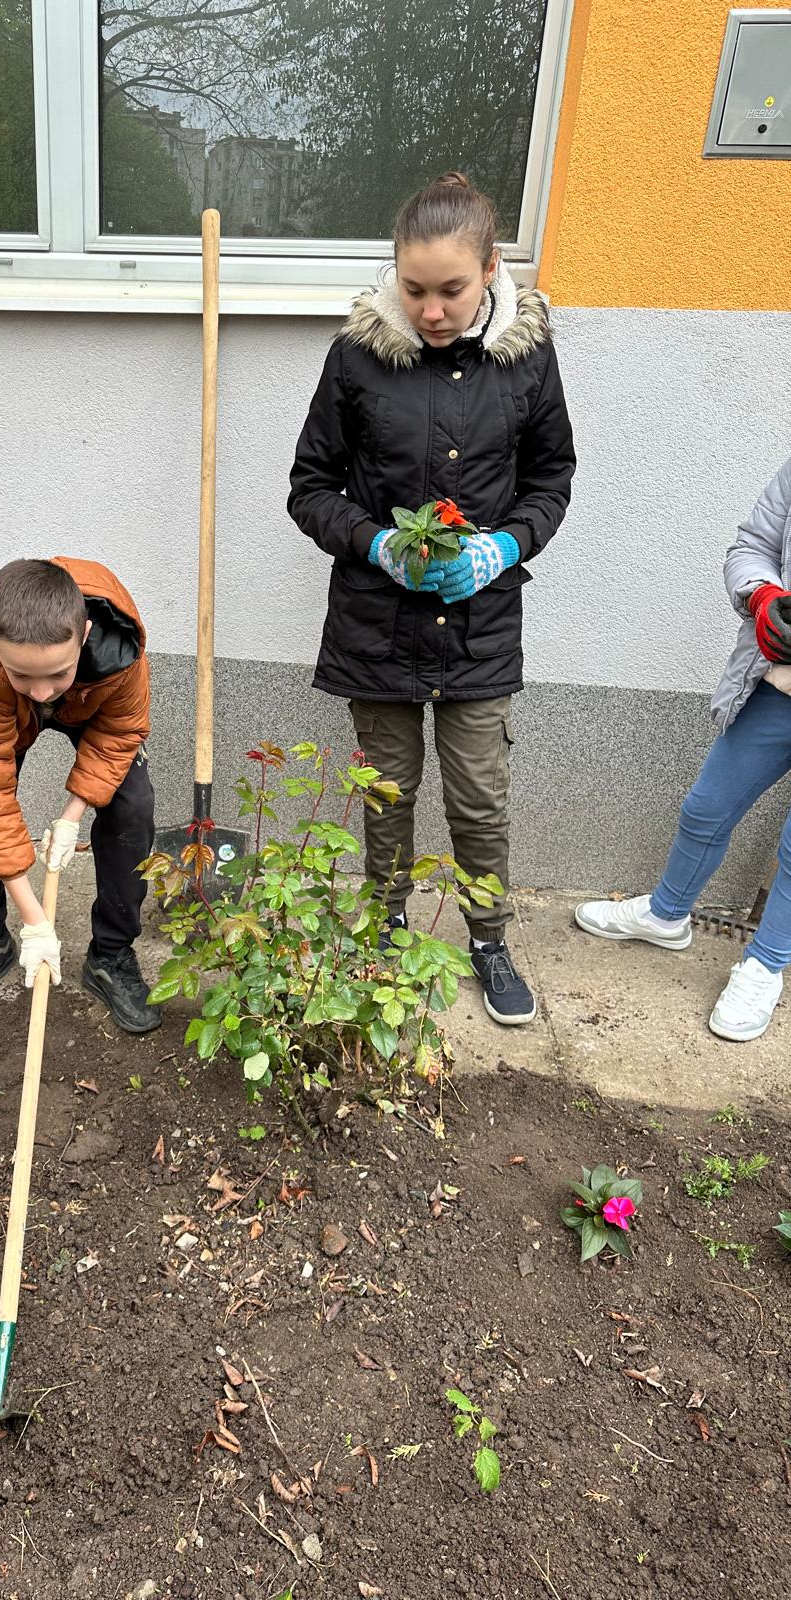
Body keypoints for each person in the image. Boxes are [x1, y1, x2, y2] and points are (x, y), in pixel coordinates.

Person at [288, 172, 575, 1025]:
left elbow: (551, 481)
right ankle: (385, 923)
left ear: (489, 270)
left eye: (451, 289)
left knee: (479, 797)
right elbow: (310, 487)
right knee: (387, 791)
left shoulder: (526, 357)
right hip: (376, 623)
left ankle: (488, 936)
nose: (432, 310)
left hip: (479, 626)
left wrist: (503, 548)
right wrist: (375, 542)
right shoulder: (357, 356)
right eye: (414, 289)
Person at [576, 455, 791, 1042]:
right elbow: (753, 546)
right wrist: (763, 597)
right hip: (779, 686)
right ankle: (666, 915)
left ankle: (765, 965)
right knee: (706, 808)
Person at [0, 556, 161, 1034]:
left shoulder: (121, 648)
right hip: (2, 707)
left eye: (56, 674)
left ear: (85, 635)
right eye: (24, 676)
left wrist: (72, 814)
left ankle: (111, 954)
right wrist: (35, 920)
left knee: (132, 805)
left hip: (91, 703)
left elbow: (119, 733)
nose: (41, 693)